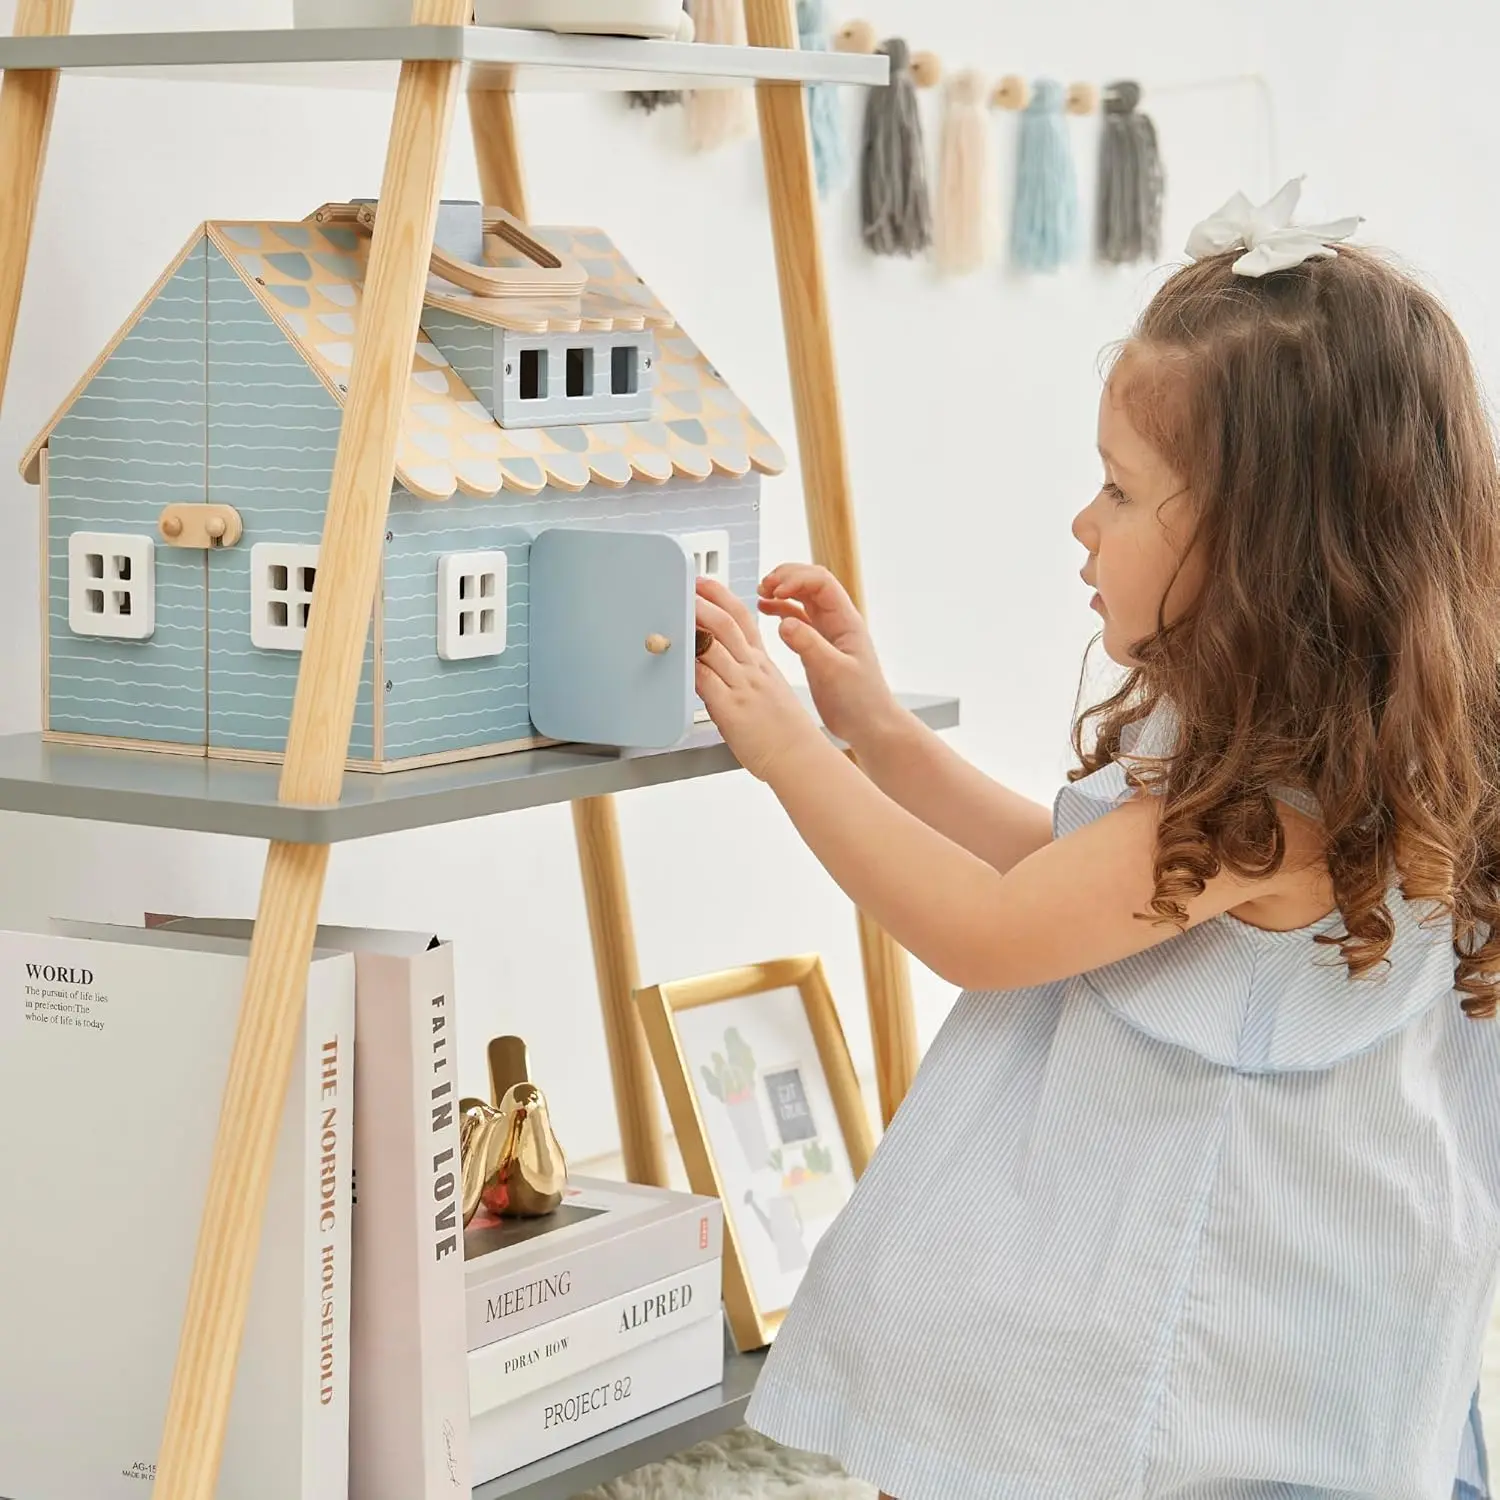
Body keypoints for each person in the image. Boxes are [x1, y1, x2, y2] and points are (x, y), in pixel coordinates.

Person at [690, 181, 1499, 1500]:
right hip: (1292, 1305)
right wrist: (878, 732)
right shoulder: (1324, 741)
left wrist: (787, 753)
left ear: (1258, 549)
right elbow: (1054, 875)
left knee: (1036, 1396)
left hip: (1219, 1348)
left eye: (1120, 492)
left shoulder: (1271, 803)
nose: (1084, 523)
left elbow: (993, 932)